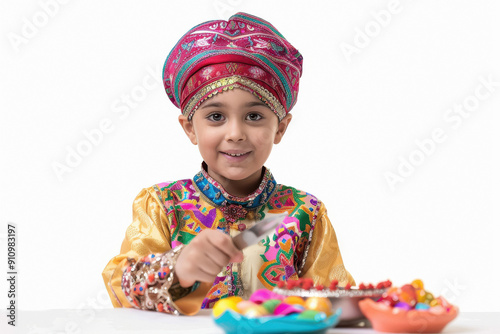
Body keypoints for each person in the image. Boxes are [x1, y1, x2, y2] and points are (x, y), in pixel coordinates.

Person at [102, 12, 355, 316]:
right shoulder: (163, 205)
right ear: (190, 128)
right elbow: (119, 288)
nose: (235, 134)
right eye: (216, 117)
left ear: (281, 128)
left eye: (254, 116)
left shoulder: (305, 213)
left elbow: (334, 303)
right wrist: (178, 270)